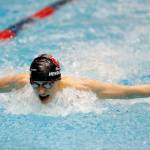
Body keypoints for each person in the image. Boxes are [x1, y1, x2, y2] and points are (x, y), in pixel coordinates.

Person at [0, 53, 150, 104]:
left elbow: (129, 92)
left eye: (47, 85)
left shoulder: (80, 88)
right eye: (36, 84)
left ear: (58, 81)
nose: (40, 91)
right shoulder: (20, 82)